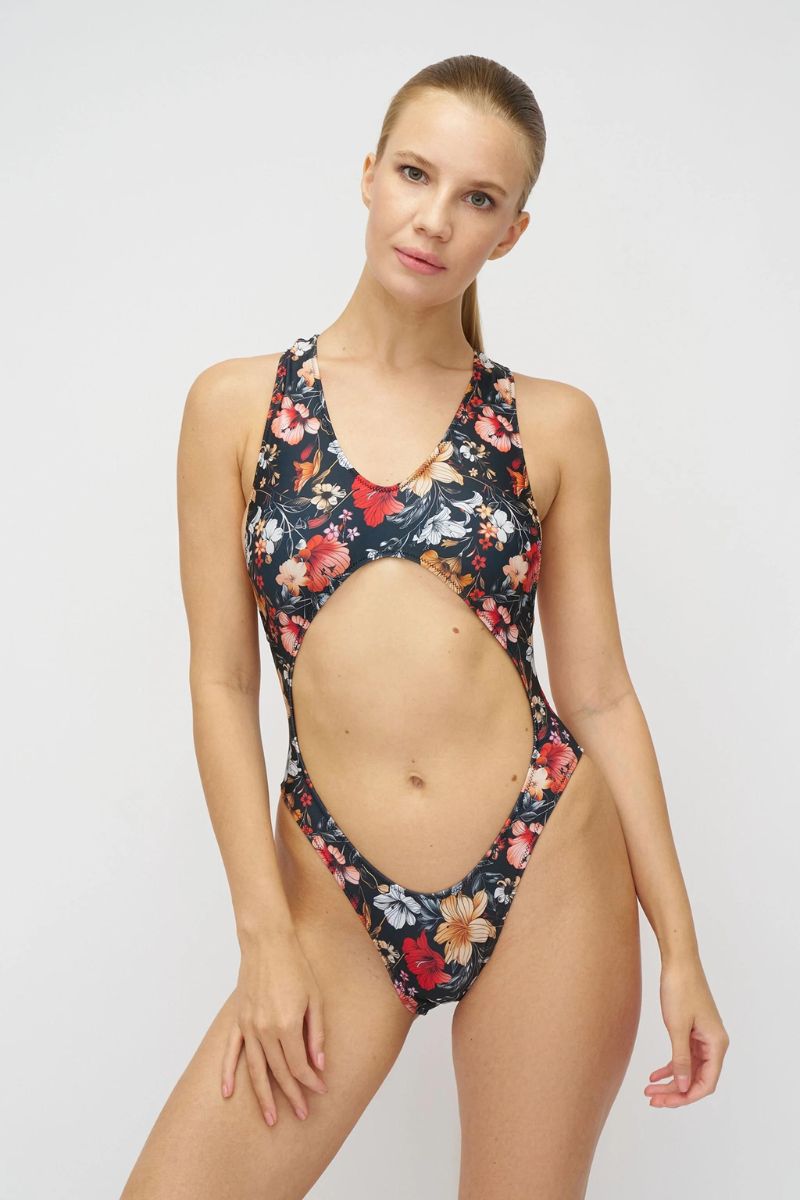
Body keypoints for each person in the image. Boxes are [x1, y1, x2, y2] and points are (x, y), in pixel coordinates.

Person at [121, 54, 729, 1200]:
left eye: (477, 197)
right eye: (414, 174)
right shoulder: (235, 407)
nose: (434, 218)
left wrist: (682, 954)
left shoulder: (550, 425)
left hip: (544, 868)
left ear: (510, 231)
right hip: (331, 895)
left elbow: (599, 694)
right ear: (368, 175)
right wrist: (263, 937)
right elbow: (220, 685)